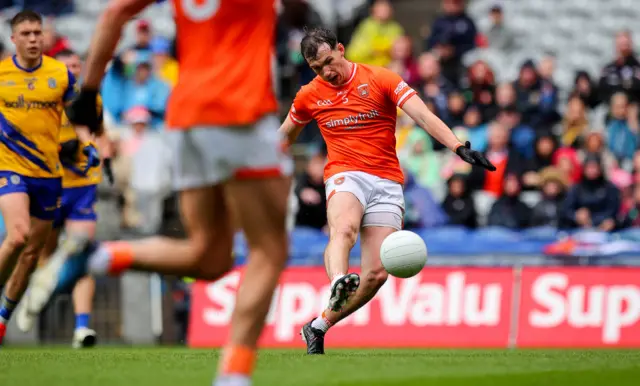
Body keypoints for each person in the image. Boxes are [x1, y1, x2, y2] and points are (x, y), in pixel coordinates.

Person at [24, 1, 291, 385]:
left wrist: (89, 92)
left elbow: (115, 13)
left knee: (211, 257)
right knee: (270, 249)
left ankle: (100, 256)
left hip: (185, 118)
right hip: (240, 112)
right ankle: (234, 375)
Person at [278, 27, 495, 355]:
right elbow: (285, 136)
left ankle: (319, 325)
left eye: (328, 62)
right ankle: (338, 279)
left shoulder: (381, 78)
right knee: (344, 229)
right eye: (317, 68)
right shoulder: (309, 94)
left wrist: (458, 147)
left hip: (386, 181)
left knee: (377, 273)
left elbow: (422, 115)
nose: (326, 72)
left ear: (340, 48)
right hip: (344, 174)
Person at [15, 49, 113, 349]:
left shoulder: (90, 101)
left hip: (82, 185)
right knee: (44, 256)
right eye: (67, 66)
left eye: (76, 66)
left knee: (80, 252)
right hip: (50, 183)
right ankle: (36, 294)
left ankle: (82, 329)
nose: (72, 71)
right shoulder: (41, 99)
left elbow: (99, 134)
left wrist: (103, 154)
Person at [0, 10, 79, 345]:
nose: (33, 39)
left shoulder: (61, 74)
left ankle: (2, 320)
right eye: (26, 34)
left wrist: (93, 140)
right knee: (17, 237)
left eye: (37, 33)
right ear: (14, 38)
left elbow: (84, 112)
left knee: (33, 254)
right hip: (10, 168)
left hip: (49, 174)